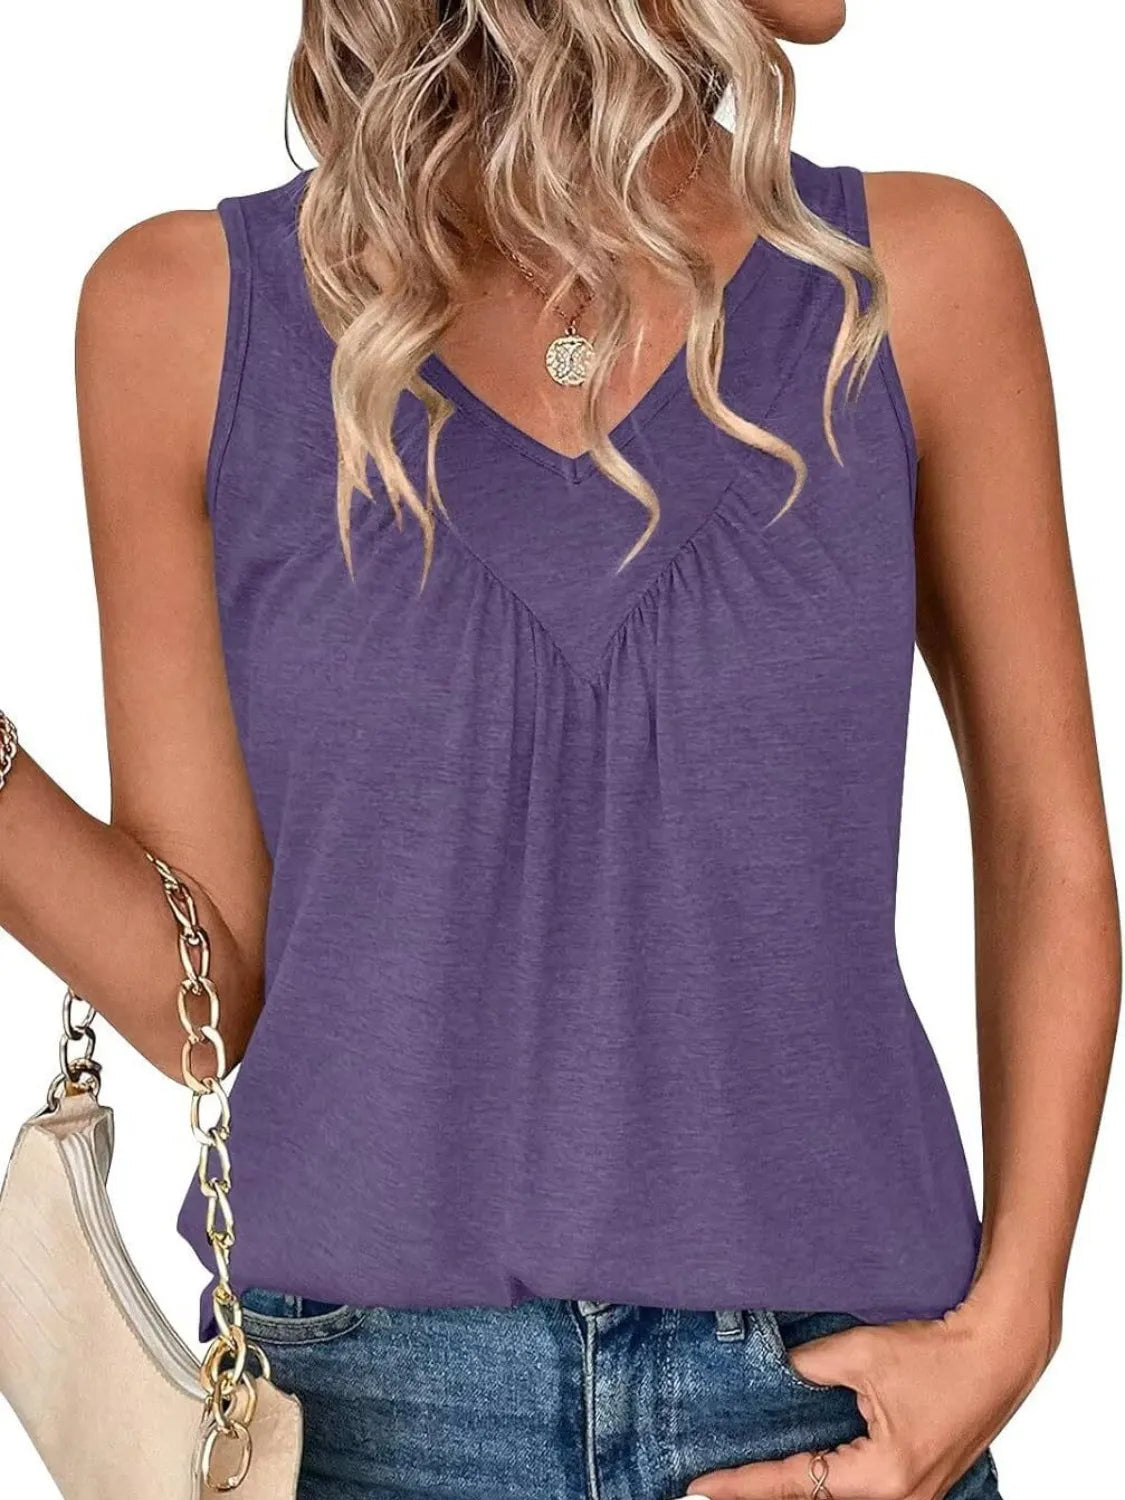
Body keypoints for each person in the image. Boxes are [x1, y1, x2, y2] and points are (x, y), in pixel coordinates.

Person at [0, 2, 1119, 1498]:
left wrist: (1016, 1322)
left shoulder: (912, 280)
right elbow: (203, 987)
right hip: (358, 1418)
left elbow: (1046, 846)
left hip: (831, 1405)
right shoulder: (185, 314)